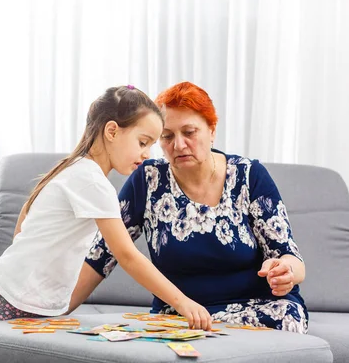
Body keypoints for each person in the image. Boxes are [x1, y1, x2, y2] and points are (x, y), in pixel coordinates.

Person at [72, 82, 308, 333]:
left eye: (189, 132)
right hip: (182, 314)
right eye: (167, 136)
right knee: (178, 332)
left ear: (212, 130)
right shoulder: (148, 179)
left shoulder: (249, 175)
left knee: (286, 319)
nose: (179, 145)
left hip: (257, 309)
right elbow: (101, 256)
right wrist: (48, 310)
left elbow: (289, 256)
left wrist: (286, 272)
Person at [0, 85, 213, 330]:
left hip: (20, 291)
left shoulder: (76, 168)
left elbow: (25, 214)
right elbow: (127, 256)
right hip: (20, 299)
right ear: (112, 131)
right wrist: (182, 303)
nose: (147, 154)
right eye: (142, 142)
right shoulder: (92, 182)